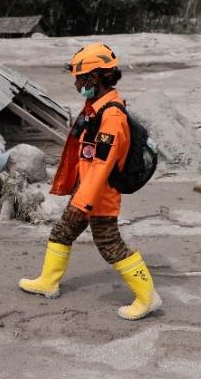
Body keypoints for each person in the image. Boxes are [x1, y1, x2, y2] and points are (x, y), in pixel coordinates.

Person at [18, 43, 163, 321]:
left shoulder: (111, 116)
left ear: (94, 78)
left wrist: (81, 202)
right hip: (86, 191)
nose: (76, 84)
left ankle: (148, 297)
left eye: (79, 78)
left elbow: (101, 165)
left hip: (98, 196)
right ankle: (48, 282)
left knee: (110, 244)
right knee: (61, 233)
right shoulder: (95, 109)